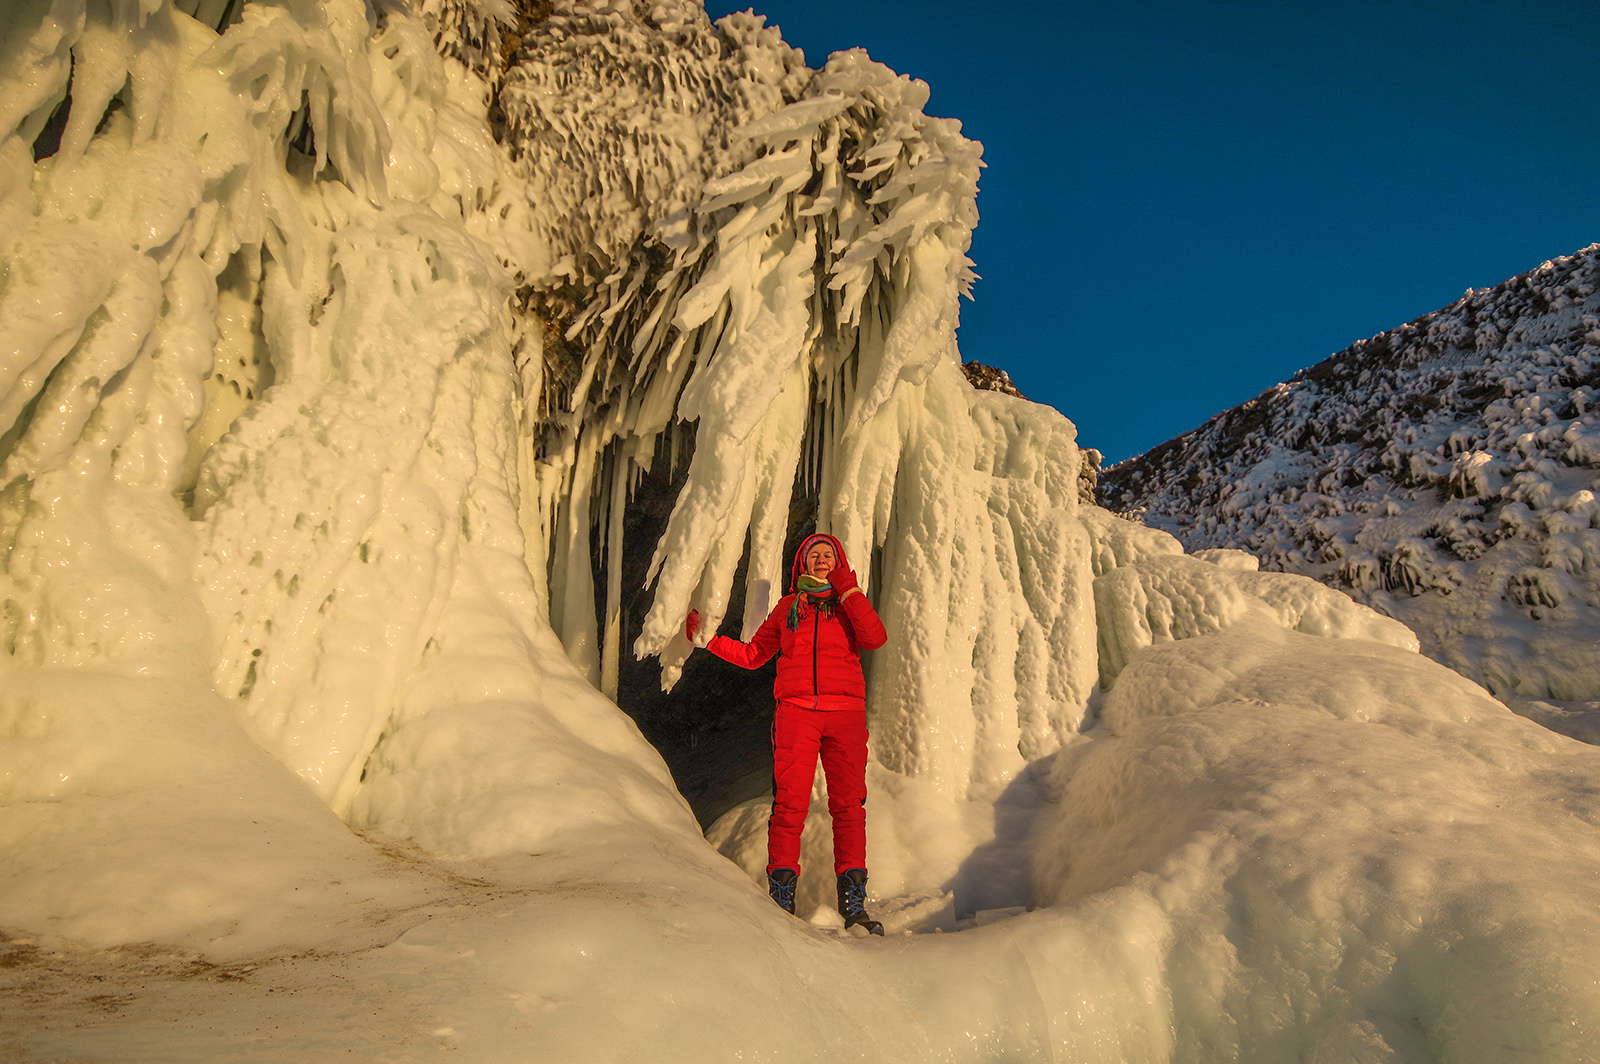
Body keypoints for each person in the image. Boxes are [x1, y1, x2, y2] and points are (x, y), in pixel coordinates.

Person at [684, 532, 888, 934]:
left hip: (845, 714)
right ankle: (782, 899)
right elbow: (754, 654)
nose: (821, 560)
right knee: (789, 806)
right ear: (801, 565)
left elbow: (874, 637)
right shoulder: (787, 609)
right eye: (814, 555)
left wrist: (848, 589)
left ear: (840, 561)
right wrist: (707, 640)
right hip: (796, 714)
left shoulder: (849, 603)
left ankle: (854, 904)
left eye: (829, 555)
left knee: (849, 807)